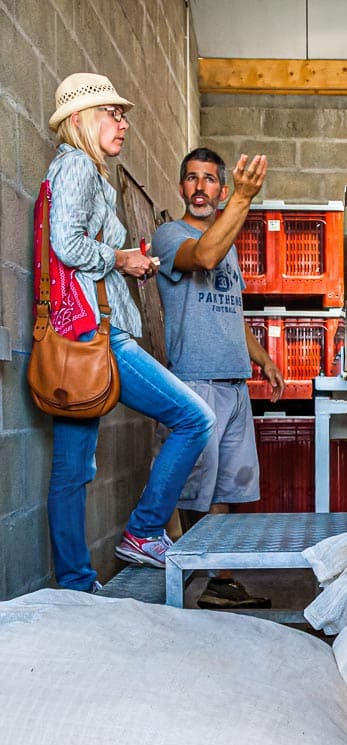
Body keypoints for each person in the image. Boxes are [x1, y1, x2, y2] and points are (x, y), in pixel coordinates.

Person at [40, 73, 216, 592]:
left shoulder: (89, 173)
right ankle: (143, 532)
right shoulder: (76, 166)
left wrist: (125, 263)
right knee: (193, 417)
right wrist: (120, 258)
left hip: (79, 336)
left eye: (123, 115)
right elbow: (67, 244)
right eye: (109, 114)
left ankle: (75, 584)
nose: (122, 123)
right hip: (97, 335)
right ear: (78, 121)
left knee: (72, 471)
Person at [151, 147, 285, 609]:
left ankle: (220, 582)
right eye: (191, 178)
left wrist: (262, 358)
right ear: (183, 186)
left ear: (220, 188)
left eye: (209, 179)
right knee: (197, 487)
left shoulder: (228, 250)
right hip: (195, 381)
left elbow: (234, 313)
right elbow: (204, 257)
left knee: (226, 487)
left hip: (233, 382)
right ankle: (196, 568)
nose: (199, 187)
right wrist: (244, 201)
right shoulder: (170, 236)